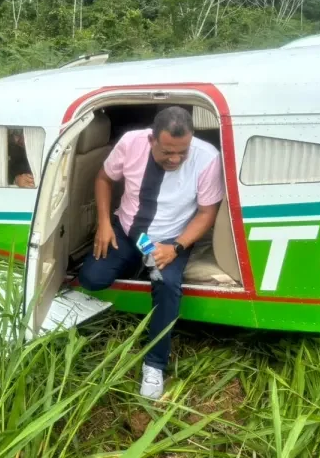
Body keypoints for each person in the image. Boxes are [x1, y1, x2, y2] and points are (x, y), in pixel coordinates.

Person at [78, 106, 224, 400]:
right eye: (167, 152)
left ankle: (155, 364)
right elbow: (104, 179)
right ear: (151, 140)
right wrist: (105, 223)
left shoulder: (207, 158)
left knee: (167, 285)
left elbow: (207, 212)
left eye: (182, 152)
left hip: (169, 240)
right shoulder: (131, 142)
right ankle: (135, 262)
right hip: (128, 229)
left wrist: (176, 248)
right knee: (91, 278)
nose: (175, 159)